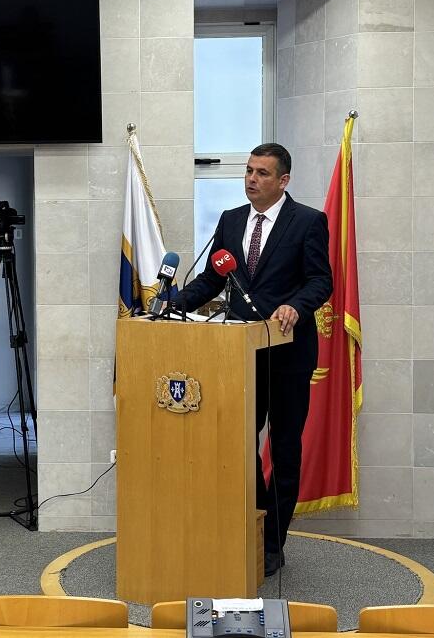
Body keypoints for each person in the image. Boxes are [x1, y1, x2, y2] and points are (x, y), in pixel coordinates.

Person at [171, 143, 332, 577]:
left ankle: (273, 542)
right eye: (248, 171)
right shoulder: (230, 220)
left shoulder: (308, 221)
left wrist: (296, 306)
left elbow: (321, 281)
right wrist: (171, 305)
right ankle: (256, 524)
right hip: (238, 354)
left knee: (284, 448)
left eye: (262, 173)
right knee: (241, 446)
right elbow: (212, 279)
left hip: (288, 354)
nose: (251, 179)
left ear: (283, 180)